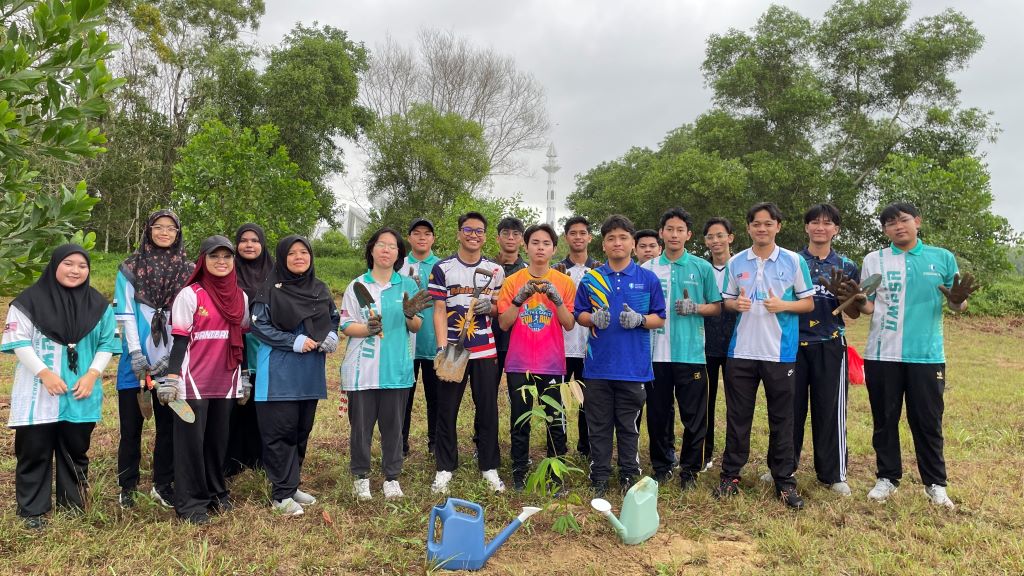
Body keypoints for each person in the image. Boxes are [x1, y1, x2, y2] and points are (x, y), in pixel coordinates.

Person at [857, 202, 976, 509]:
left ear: (917, 222)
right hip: (882, 353)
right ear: (885, 230)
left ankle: (935, 484)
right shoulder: (874, 259)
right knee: (884, 419)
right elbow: (867, 305)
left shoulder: (942, 257)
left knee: (927, 421)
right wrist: (855, 300)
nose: (898, 226)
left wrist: (959, 301)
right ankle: (887, 478)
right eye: (890, 223)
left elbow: (957, 304)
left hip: (926, 354)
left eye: (903, 220)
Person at [3, 245, 120, 529]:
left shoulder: (99, 306)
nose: (75, 270)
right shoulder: (27, 303)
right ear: (55, 265)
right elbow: (19, 342)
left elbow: (107, 343)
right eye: (68, 263)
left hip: (80, 391)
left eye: (82, 265)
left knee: (75, 449)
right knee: (34, 450)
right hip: (38, 392)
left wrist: (92, 374)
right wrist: (44, 373)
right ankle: (32, 511)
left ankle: (73, 506)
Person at [717, 202, 815, 510]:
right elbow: (727, 301)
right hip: (741, 352)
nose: (762, 228)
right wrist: (736, 305)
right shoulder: (736, 262)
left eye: (768, 223)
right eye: (756, 223)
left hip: (779, 353)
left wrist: (783, 305)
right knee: (738, 417)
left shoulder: (794, 261)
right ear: (748, 228)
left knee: (782, 418)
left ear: (778, 227)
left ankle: (784, 480)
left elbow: (808, 303)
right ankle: (730, 475)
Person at [574, 215, 666, 497]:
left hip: (633, 368)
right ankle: (600, 475)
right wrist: (592, 318)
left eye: (623, 238)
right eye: (611, 238)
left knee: (629, 426)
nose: (617, 243)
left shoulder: (647, 278)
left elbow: (659, 318)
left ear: (632, 243)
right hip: (597, 367)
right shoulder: (592, 279)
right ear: (604, 244)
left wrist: (640, 319)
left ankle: (629, 473)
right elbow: (579, 314)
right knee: (598, 425)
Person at [162, 236, 249, 525]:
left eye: (227, 256)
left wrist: (244, 376)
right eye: (214, 256)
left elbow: (242, 340)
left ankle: (216, 493)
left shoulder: (240, 297)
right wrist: (172, 379)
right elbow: (179, 341)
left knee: (217, 441)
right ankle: (190, 503)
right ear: (203, 260)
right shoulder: (190, 295)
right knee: (191, 444)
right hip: (192, 380)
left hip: (226, 380)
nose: (221, 261)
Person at [251, 236, 340, 516]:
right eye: (292, 253)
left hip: (309, 373)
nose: (299, 257)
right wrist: (293, 341)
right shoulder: (269, 290)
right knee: (281, 433)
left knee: (302, 430)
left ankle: (291, 484)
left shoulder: (319, 288)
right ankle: (281, 495)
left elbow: (333, 317)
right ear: (282, 258)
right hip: (278, 374)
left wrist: (332, 335)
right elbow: (259, 326)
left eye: (304, 252)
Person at [341, 227, 431, 501]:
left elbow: (416, 326)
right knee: (361, 428)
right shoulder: (357, 285)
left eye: (393, 246)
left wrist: (409, 314)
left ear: (398, 254)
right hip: (361, 370)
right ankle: (361, 477)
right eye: (382, 244)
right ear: (371, 249)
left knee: (394, 428)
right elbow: (346, 324)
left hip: (396, 367)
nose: (386, 250)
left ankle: (392, 477)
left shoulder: (408, 286)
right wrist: (366, 329)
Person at [114, 209, 193, 508]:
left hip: (171, 363)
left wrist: (171, 359)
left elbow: (188, 317)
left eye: (171, 228)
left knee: (168, 427)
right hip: (134, 362)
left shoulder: (188, 270)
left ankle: (163, 484)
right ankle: (127, 485)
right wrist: (136, 353)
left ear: (178, 233)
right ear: (148, 230)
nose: (164, 232)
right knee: (130, 427)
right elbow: (125, 314)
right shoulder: (130, 267)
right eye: (158, 227)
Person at [642, 208, 722, 490]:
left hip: (691, 354)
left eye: (680, 230)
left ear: (688, 235)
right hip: (655, 355)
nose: (674, 235)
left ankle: (690, 470)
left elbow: (717, 306)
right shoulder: (648, 269)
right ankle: (662, 466)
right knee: (658, 414)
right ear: (661, 233)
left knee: (694, 416)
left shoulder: (701, 267)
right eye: (669, 229)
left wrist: (696, 307)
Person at [428, 212, 506, 494]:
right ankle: (445, 467)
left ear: (485, 236)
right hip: (453, 349)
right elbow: (439, 310)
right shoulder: (443, 268)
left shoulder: (495, 270)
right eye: (468, 230)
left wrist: (491, 308)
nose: (474, 235)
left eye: (479, 231)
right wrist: (441, 348)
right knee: (446, 408)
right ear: (459, 233)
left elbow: (499, 308)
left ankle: (489, 466)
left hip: (485, 349)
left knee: (487, 409)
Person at [788, 204, 861, 497]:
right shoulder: (791, 261)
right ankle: (784, 466)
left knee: (829, 409)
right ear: (806, 227)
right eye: (815, 222)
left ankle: (833, 474)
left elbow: (855, 312)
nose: (820, 227)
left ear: (836, 230)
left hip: (830, 343)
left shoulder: (846, 265)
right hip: (792, 344)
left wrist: (845, 296)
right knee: (788, 409)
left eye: (827, 223)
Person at [497, 223, 576, 492]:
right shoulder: (512, 281)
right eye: (535, 243)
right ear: (526, 246)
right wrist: (518, 301)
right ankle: (519, 471)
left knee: (555, 420)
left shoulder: (564, 282)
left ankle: (556, 474)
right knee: (520, 420)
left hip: (551, 363)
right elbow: (504, 323)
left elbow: (569, 324)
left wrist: (558, 301)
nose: (540, 248)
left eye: (546, 243)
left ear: (554, 249)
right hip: (519, 362)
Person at [225, 223, 273, 476]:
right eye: (244, 240)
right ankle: (232, 460)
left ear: (262, 244)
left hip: (265, 348)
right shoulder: (227, 271)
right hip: (232, 346)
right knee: (234, 405)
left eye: (255, 240)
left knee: (260, 404)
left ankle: (259, 459)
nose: (249, 245)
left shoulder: (275, 273)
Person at [556, 216, 599, 458]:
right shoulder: (556, 270)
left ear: (590, 237)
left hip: (591, 348)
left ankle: (587, 449)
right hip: (560, 346)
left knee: (589, 401)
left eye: (583, 233)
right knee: (559, 400)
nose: (578, 237)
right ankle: (558, 448)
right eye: (573, 233)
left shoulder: (600, 270)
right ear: (566, 237)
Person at [401, 218, 441, 456]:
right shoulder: (400, 265)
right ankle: (400, 443)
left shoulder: (441, 266)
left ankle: (435, 443)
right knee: (403, 397)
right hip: (405, 344)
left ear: (433, 238)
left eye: (427, 233)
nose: (422, 237)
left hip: (433, 342)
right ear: (409, 238)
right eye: (417, 233)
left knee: (435, 397)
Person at [702, 217, 737, 471]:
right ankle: (704, 455)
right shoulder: (701, 269)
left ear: (730, 238)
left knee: (737, 405)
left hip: (738, 345)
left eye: (720, 235)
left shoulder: (741, 266)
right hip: (705, 345)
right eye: (710, 237)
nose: (715, 241)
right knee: (705, 403)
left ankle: (734, 458)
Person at [493, 217, 527, 376]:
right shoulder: (486, 267)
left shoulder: (528, 270)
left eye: (516, 234)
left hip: (520, 341)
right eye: (506, 233)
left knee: (519, 389)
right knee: (487, 388)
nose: (511, 238)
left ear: (522, 240)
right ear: (497, 238)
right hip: (490, 339)